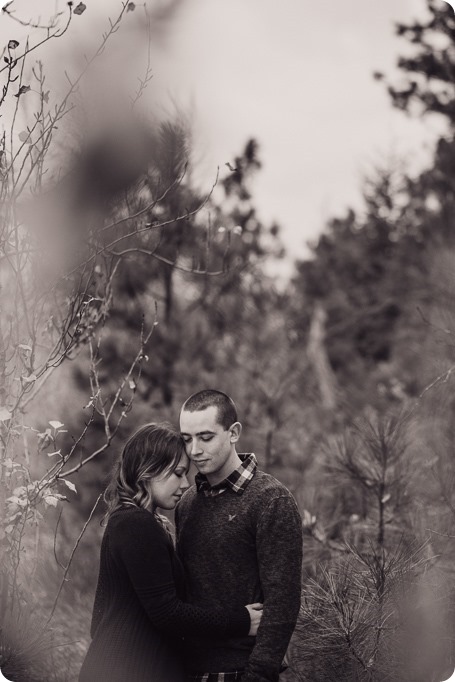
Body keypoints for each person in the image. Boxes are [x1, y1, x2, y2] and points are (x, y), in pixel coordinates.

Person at [79, 423, 263, 682]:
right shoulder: (136, 524)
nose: (186, 483)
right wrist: (241, 621)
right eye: (177, 473)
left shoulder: (126, 521)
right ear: (147, 471)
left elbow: (98, 619)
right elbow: (168, 613)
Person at [176, 390, 303, 682]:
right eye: (186, 439)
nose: (194, 450)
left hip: (240, 671)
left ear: (233, 433)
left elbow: (283, 602)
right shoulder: (186, 502)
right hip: (187, 670)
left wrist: (256, 675)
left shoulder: (270, 499)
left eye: (205, 437)